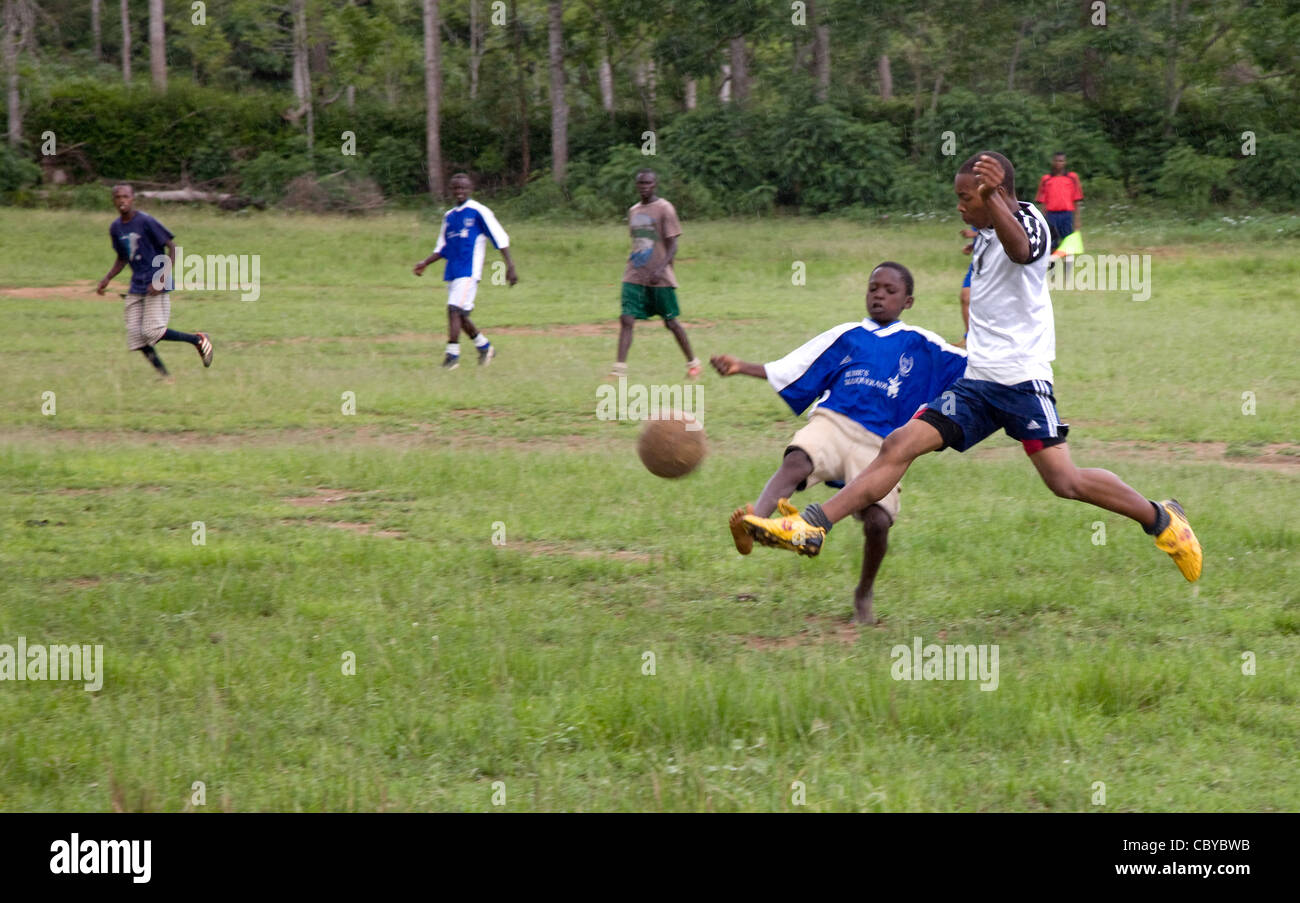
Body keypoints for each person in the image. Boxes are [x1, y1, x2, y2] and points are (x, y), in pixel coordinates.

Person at [741, 151, 1203, 584]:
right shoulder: (987, 234)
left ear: (994, 193)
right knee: (900, 444)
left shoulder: (1029, 220)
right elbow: (1000, 253)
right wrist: (982, 224)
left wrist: (995, 201)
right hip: (978, 383)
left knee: (1066, 481)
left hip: (1022, 382)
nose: (959, 207)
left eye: (966, 198)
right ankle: (812, 525)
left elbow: (1022, 250)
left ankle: (1163, 519)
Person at [712, 262, 967, 624]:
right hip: (833, 422)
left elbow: (969, 365)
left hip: (883, 447)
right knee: (797, 458)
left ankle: (864, 593)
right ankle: (756, 525)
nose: (879, 295)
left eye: (889, 290)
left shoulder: (923, 345)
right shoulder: (847, 335)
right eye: (873, 287)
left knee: (879, 521)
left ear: (908, 301)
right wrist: (742, 366)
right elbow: (795, 366)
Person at [96, 184, 213, 377]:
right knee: (136, 336)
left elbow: (173, 248)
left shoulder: (145, 221)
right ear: (113, 201)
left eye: (126, 196)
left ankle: (198, 339)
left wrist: (161, 278)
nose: (122, 200)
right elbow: (123, 257)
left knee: (153, 331)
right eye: (118, 197)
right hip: (137, 284)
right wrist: (107, 278)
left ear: (133, 199)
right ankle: (166, 377)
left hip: (155, 284)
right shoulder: (116, 228)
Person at [414, 172, 517, 370]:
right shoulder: (449, 217)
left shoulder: (478, 211)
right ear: (451, 190)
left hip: (469, 272)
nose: (459, 191)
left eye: (463, 188)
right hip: (452, 272)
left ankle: (452, 357)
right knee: (459, 316)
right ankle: (484, 347)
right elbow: (443, 247)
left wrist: (510, 266)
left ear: (470, 189)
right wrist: (425, 262)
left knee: (453, 310)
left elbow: (499, 237)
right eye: (456, 188)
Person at [610, 169, 701, 381]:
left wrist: (662, 269)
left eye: (648, 183)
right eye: (641, 183)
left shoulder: (664, 208)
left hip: (659, 276)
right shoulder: (633, 211)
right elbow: (638, 243)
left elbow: (673, 244)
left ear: (655, 185)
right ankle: (618, 370)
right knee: (626, 318)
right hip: (634, 273)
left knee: (670, 322)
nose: (644, 187)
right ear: (636, 185)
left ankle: (693, 363)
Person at [1035, 152, 1084, 251]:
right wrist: (1043, 220)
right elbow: (1043, 202)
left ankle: (1068, 266)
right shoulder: (1046, 179)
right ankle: (1051, 264)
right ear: (1053, 162)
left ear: (1065, 162)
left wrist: (1077, 221)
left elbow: (1077, 200)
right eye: (1056, 161)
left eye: (1061, 161)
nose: (1059, 163)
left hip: (1067, 215)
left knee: (1068, 243)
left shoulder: (1072, 178)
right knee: (1051, 243)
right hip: (1051, 215)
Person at [957, 227, 977, 347]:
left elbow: (1001, 233)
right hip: (977, 263)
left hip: (994, 265)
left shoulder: (997, 209)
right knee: (965, 297)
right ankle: (969, 338)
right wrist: (974, 245)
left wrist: (975, 234)